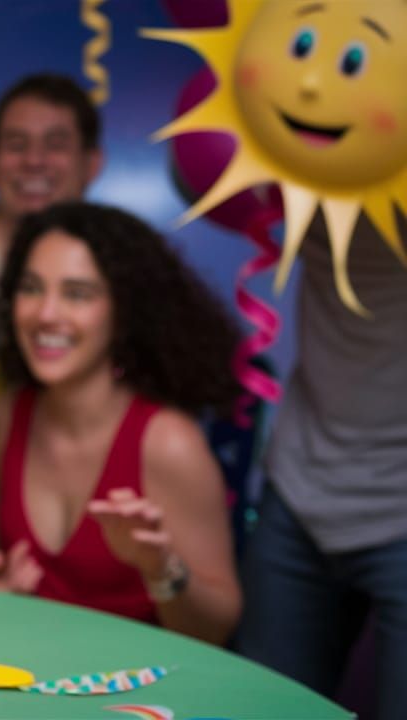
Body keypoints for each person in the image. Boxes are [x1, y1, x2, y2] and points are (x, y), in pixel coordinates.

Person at [0, 202, 241, 645]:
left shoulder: (169, 443)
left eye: (77, 294)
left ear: (123, 312)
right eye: (31, 288)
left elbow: (217, 628)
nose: (46, 314)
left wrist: (161, 567)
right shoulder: (6, 416)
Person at [237, 215, 407, 718]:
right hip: (298, 488)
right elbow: (197, 166)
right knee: (262, 709)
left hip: (399, 504)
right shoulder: (311, 170)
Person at [0, 74, 103, 340]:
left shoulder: (117, 267)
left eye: (55, 145)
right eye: (16, 145)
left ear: (92, 164)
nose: (34, 160)